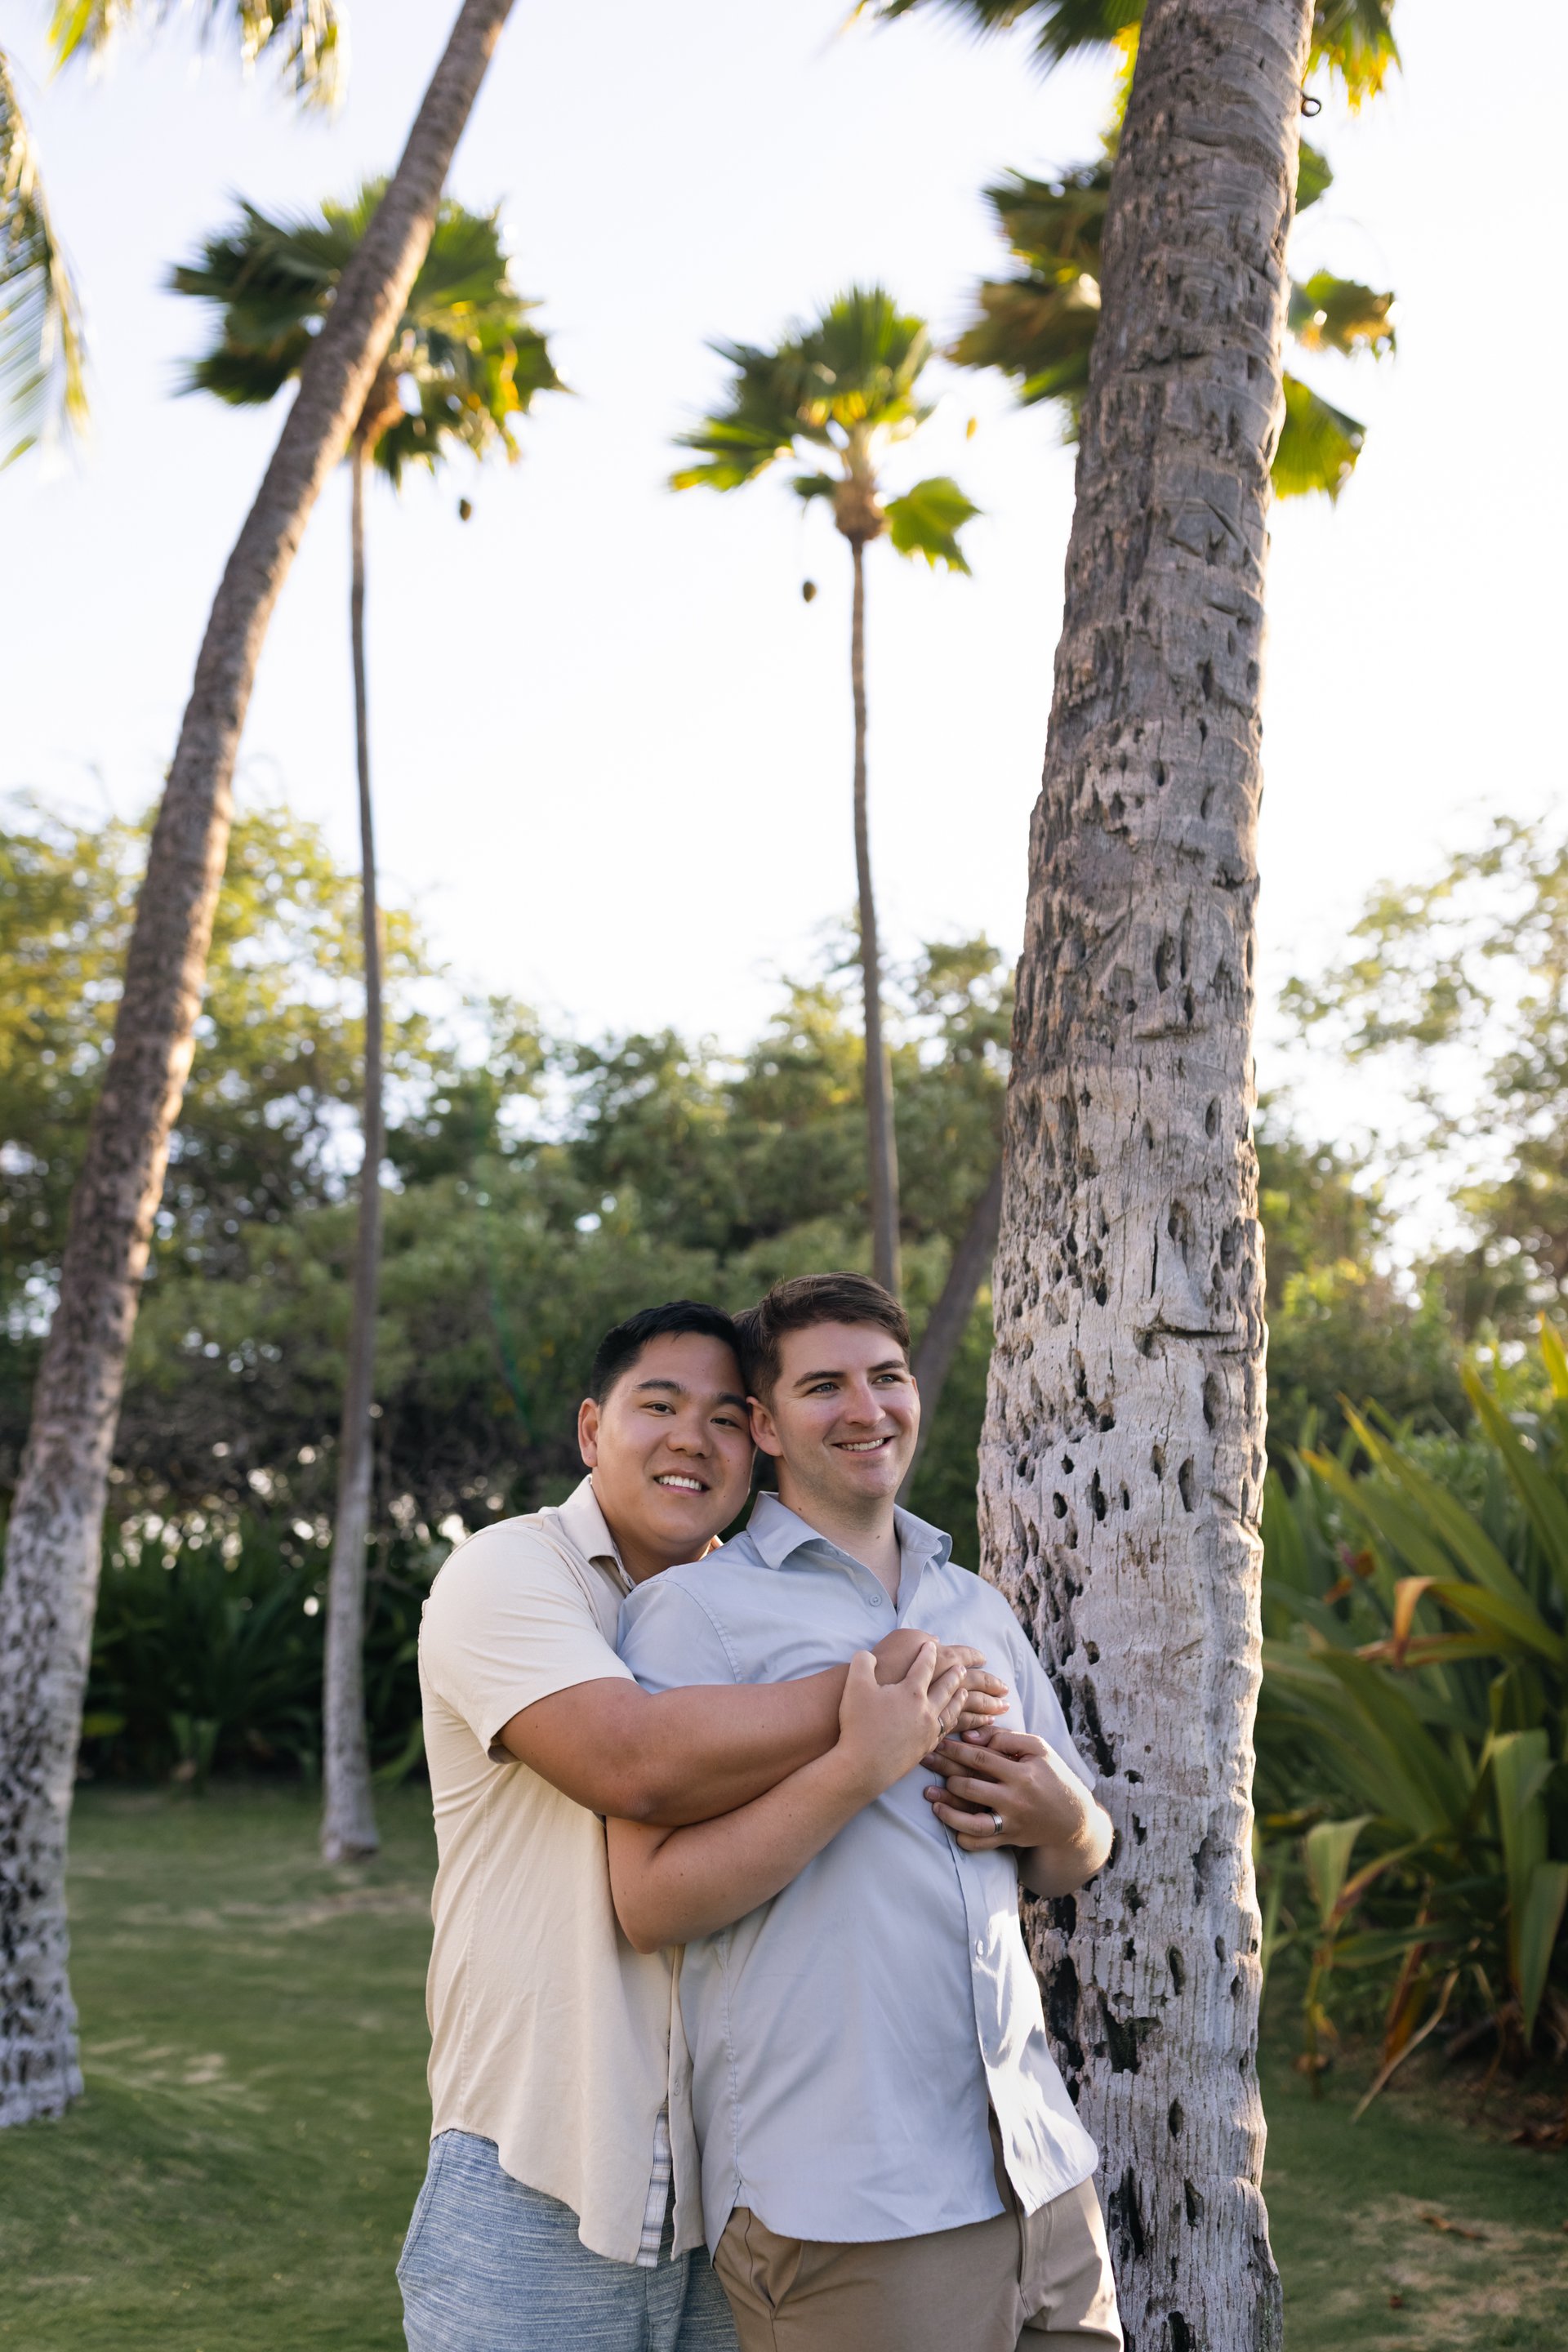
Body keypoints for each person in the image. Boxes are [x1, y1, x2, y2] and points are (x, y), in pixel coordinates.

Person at [400, 1297, 1007, 2352]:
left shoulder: (751, 1616)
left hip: (742, 2182)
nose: (693, 1438)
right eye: (659, 1405)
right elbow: (630, 1763)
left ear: (759, 1443)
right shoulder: (508, 1571)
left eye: (726, 1417)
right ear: (592, 1429)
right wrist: (882, 1690)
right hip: (540, 2172)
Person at [609, 1272, 1123, 2352]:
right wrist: (857, 1763)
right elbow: (653, 1906)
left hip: (1037, 2169)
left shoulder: (973, 1604)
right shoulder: (693, 1616)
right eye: (823, 1386)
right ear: (765, 1426)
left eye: (887, 1377)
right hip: (849, 2202)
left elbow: (1072, 1852)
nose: (866, 1408)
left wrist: (1062, 1817)